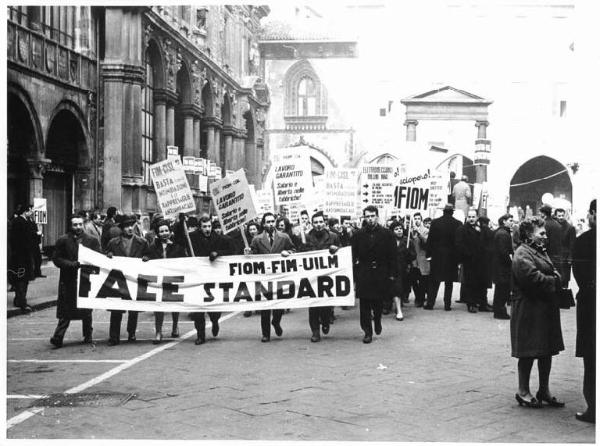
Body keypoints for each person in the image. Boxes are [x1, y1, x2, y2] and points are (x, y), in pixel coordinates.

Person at [511, 217, 564, 408]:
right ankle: (523, 391)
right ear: (528, 234)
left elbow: (551, 272)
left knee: (546, 351)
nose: (545, 236)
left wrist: (554, 277)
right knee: (528, 352)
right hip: (529, 309)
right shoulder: (522, 253)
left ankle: (544, 390)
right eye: (541, 233)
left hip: (542, 309)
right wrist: (554, 280)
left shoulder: (538, 251)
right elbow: (532, 278)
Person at [50, 215, 101, 348]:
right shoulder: (63, 240)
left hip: (85, 279)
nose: (78, 227)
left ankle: (88, 335)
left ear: (83, 225)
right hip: (69, 279)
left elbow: (98, 258)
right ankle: (58, 337)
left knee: (86, 309)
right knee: (66, 310)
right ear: (70, 226)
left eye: (80, 224)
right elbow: (57, 258)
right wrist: (71, 264)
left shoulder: (92, 241)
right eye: (75, 225)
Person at [247, 212, 295, 342]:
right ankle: (265, 334)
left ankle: (276, 322)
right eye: (267, 222)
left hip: (280, 276)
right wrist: (248, 253)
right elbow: (252, 257)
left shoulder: (284, 237)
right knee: (265, 306)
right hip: (264, 277)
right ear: (263, 224)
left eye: (272, 221)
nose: (270, 224)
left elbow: (294, 251)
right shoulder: (256, 239)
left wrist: (289, 252)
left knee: (279, 304)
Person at [351, 205, 396, 344]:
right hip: (364, 272)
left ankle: (377, 320)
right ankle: (367, 332)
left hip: (380, 272)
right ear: (364, 217)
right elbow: (352, 254)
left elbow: (393, 255)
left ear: (377, 216)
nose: (370, 219)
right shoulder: (358, 234)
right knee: (364, 303)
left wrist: (392, 273)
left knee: (378, 302)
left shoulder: (387, 234)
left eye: (372, 216)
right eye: (367, 216)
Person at [105, 214, 150, 346]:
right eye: (126, 226)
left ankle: (131, 332)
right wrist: (109, 255)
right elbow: (105, 256)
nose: (130, 228)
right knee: (116, 308)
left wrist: (146, 257)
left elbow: (149, 255)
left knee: (133, 308)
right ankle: (114, 336)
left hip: (134, 279)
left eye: (132, 226)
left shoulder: (142, 242)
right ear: (122, 228)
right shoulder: (113, 243)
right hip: (118, 279)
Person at [189, 216, 235, 345]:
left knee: (214, 308)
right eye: (204, 227)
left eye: (209, 226)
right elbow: (180, 240)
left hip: (213, 278)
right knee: (198, 308)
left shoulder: (219, 238)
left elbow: (231, 250)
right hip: (198, 277)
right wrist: (179, 222)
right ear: (200, 227)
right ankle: (200, 335)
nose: (207, 229)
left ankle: (215, 321)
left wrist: (218, 253)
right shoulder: (192, 237)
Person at [299, 211, 340, 342]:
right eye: (315, 222)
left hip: (328, 277)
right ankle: (315, 331)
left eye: (320, 222)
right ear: (312, 223)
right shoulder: (306, 237)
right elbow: (299, 256)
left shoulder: (333, 236)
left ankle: (326, 321)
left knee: (326, 305)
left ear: (325, 223)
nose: (318, 225)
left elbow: (342, 251)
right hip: (312, 277)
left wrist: (337, 249)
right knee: (313, 306)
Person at [573, 199, 596, 423]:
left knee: (591, 357)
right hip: (590, 303)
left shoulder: (583, 241)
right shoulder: (583, 241)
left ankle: (593, 408)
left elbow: (579, 274)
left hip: (590, 303)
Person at [145, 220, 186, 344]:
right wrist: (146, 258)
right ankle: (158, 331)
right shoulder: (152, 247)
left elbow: (184, 261)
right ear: (157, 233)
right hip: (159, 280)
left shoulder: (177, 246)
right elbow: (146, 256)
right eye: (161, 231)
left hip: (173, 279)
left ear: (170, 231)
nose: (164, 233)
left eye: (166, 230)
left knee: (174, 304)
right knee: (159, 306)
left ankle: (175, 326)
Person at [455, 209, 491, 313]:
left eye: (473, 217)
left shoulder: (481, 228)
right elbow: (459, 245)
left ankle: (482, 303)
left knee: (482, 282)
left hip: (481, 260)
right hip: (469, 261)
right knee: (470, 283)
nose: (471, 219)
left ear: (476, 217)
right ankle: (471, 304)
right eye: (470, 217)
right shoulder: (462, 229)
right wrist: (467, 255)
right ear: (467, 217)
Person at [426, 204, 461, 310]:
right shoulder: (458, 224)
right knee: (449, 282)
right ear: (452, 212)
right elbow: (458, 243)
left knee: (434, 281)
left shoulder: (435, 222)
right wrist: (458, 259)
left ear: (443, 211)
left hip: (437, 256)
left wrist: (429, 255)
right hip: (451, 257)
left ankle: (430, 304)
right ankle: (447, 305)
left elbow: (430, 240)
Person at [8, 204, 35, 313]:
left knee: (23, 279)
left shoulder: (25, 221)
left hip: (25, 255)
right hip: (20, 256)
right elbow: (16, 240)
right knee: (21, 279)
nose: (32, 212)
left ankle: (19, 299)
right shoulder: (19, 222)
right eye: (31, 210)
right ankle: (21, 302)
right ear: (26, 211)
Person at [390, 220, 414, 321]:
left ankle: (398, 306)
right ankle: (398, 311)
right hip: (391, 268)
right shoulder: (389, 241)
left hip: (403, 269)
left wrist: (409, 253)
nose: (399, 231)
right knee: (395, 289)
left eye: (400, 228)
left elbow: (413, 256)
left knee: (401, 289)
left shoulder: (408, 241)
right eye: (396, 229)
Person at [492, 214, 514, 319]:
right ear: (504, 221)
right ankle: (500, 311)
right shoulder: (503, 234)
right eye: (510, 220)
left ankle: (498, 310)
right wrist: (511, 263)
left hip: (498, 266)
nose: (512, 222)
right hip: (502, 267)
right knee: (503, 289)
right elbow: (504, 252)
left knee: (500, 289)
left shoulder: (500, 232)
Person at [408, 213, 430, 308]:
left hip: (422, 258)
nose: (417, 220)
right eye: (415, 218)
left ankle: (420, 299)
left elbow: (427, 242)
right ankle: (418, 296)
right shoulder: (410, 231)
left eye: (418, 218)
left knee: (422, 280)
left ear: (421, 220)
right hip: (413, 259)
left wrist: (419, 234)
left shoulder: (425, 230)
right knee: (413, 280)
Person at [554, 208, 576, 289]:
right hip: (556, 257)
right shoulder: (554, 227)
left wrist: (570, 258)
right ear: (556, 216)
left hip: (565, 258)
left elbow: (572, 244)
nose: (561, 217)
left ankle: (564, 297)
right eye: (559, 216)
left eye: (562, 215)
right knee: (556, 279)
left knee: (564, 280)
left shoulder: (570, 228)